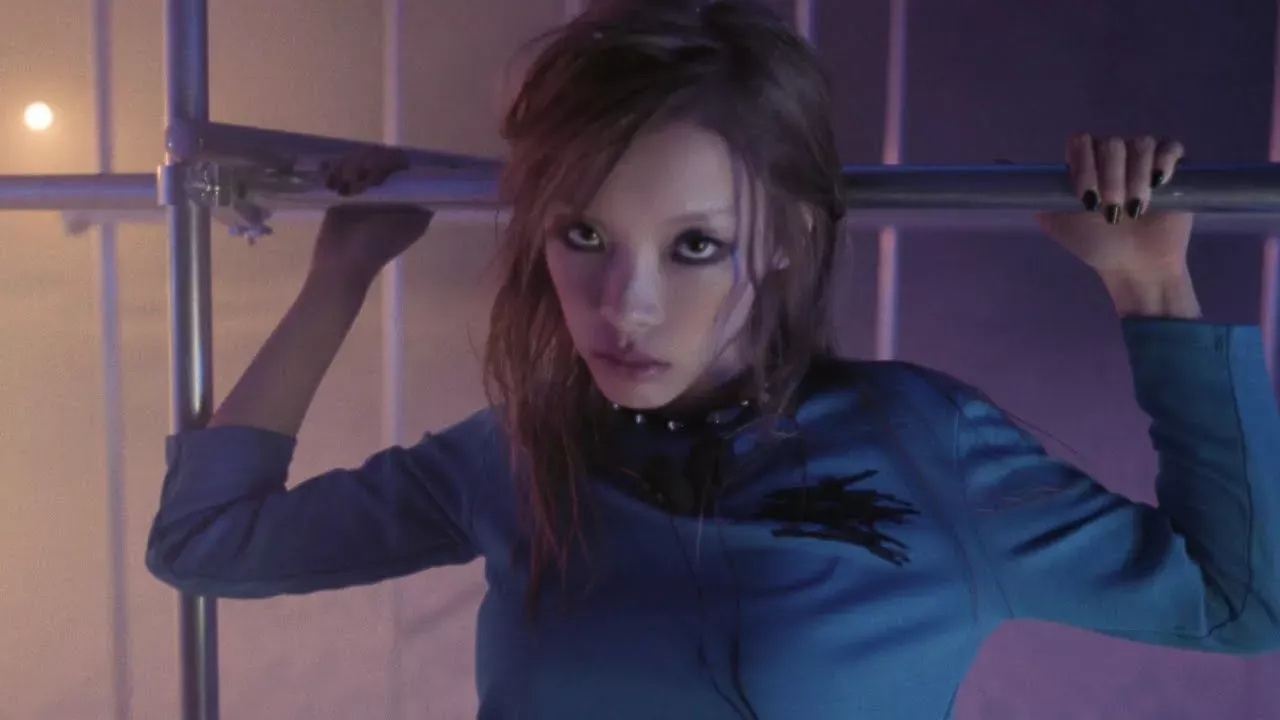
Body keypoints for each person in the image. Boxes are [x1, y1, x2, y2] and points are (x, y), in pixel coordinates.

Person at [145, 1, 1280, 718]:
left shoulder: (923, 449)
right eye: (582, 234)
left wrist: (1153, 289)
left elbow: (1245, 605)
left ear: (784, 237)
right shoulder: (522, 455)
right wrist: (340, 276)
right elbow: (210, 545)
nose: (623, 307)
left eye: (695, 245)